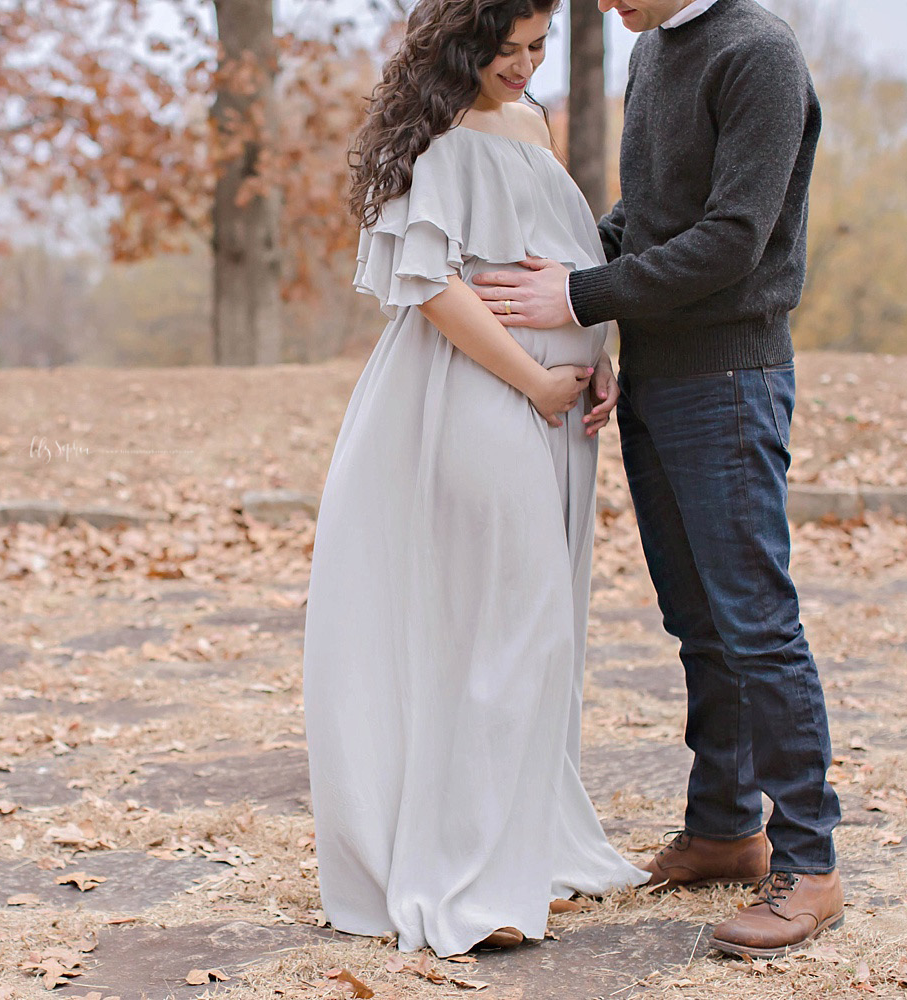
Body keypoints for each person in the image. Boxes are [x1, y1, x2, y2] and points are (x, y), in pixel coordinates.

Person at [469, 0, 845, 958]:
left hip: (729, 377)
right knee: (698, 621)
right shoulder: (657, 50)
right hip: (658, 376)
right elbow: (649, 218)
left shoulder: (757, 53)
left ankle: (810, 863)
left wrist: (579, 292)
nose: (602, 4)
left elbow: (732, 240)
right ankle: (726, 828)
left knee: (756, 622)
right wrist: (581, 314)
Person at [301, 0, 649, 960]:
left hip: (557, 409)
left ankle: (514, 844)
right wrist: (537, 377)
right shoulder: (444, 127)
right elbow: (438, 285)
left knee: (539, 634)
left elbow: (561, 256)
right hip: (478, 396)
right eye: (507, 50)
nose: (527, 67)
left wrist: (596, 353)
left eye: (539, 48)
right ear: (463, 44)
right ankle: (464, 880)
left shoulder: (532, 121)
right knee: (505, 623)